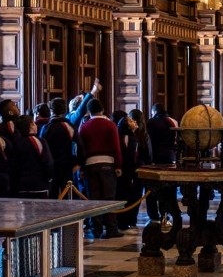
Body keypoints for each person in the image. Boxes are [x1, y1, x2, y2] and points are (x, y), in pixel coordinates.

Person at [76, 98, 122, 238]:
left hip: (90, 165)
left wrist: (82, 168)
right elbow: (116, 147)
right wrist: (118, 165)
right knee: (109, 198)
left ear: (89, 111)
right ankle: (111, 229)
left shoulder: (84, 126)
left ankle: (95, 229)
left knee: (93, 198)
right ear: (102, 109)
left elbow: (81, 149)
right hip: (107, 164)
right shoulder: (110, 125)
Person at [144, 103, 178, 223]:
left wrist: (150, 160)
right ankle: (167, 213)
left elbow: (149, 142)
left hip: (156, 159)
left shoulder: (151, 122)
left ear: (154, 112)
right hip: (171, 158)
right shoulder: (173, 121)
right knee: (169, 189)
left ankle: (154, 216)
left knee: (152, 189)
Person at [116, 109, 147, 229]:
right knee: (132, 195)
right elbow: (132, 154)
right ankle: (128, 220)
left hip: (131, 169)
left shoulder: (138, 134)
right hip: (131, 169)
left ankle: (128, 219)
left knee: (129, 194)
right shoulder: (133, 136)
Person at [11, 115, 54, 198]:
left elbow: (14, 167)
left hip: (21, 186)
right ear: (30, 126)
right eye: (34, 123)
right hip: (39, 185)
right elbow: (48, 162)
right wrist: (49, 179)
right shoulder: (40, 141)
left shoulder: (16, 143)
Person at [40, 110, 77, 197]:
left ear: (52, 111)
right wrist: (78, 162)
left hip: (52, 165)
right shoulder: (69, 126)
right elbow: (78, 144)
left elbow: (43, 146)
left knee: (53, 194)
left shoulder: (46, 127)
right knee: (68, 194)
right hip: (67, 164)